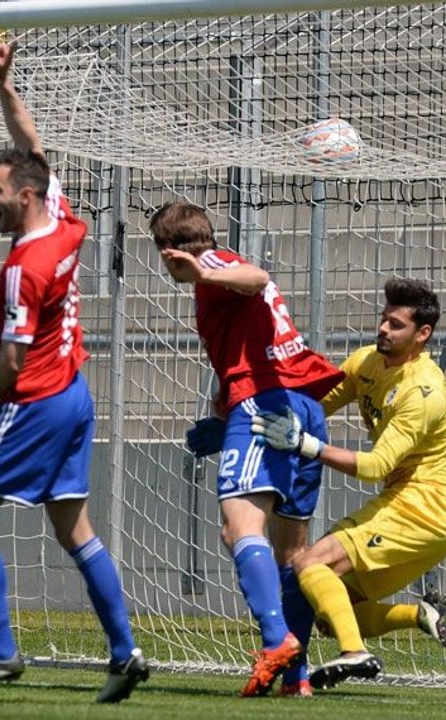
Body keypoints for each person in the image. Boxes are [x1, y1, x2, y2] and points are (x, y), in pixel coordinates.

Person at [0, 43, 148, 704]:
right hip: (74, 395)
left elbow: (13, 358)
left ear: (25, 195)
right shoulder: (59, 222)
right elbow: (31, 145)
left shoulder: (23, 269)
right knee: (74, 528)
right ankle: (125, 650)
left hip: (31, 400)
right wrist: (4, 85)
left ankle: (1, 650)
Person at [150, 201, 345, 697]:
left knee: (240, 528)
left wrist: (202, 270)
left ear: (169, 251)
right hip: (301, 407)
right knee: (290, 552)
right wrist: (222, 418)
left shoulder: (214, 265)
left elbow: (257, 278)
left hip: (264, 405)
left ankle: (277, 640)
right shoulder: (217, 277)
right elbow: (247, 341)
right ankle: (296, 679)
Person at [251, 278, 446, 690]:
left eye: (396, 325)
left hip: (423, 509)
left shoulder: (424, 392)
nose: (383, 329)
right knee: (329, 611)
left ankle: (355, 653)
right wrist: (250, 417)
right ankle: (419, 615)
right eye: (383, 319)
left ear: (422, 334)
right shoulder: (367, 362)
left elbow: (376, 465)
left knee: (310, 564)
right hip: (413, 511)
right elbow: (315, 404)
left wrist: (306, 445)